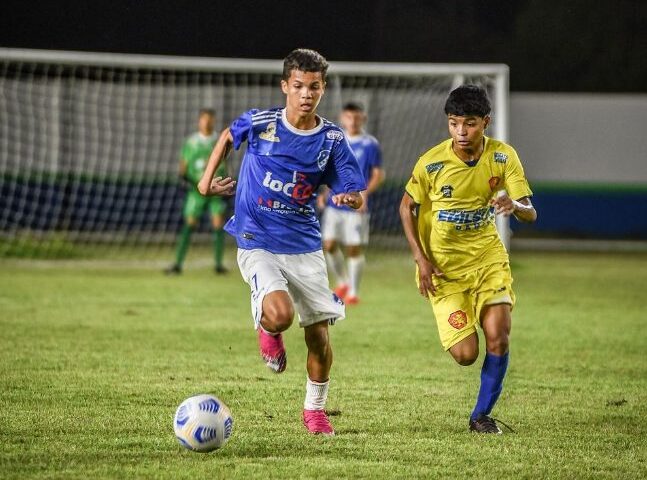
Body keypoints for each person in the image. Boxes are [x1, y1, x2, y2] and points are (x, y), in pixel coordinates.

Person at [197, 49, 366, 435]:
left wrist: (349, 197)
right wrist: (205, 183)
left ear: (322, 90)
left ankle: (315, 411)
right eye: (299, 86)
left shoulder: (332, 140)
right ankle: (269, 330)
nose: (306, 94)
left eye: (315, 87)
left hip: (304, 245)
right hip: (256, 236)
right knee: (280, 314)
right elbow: (227, 136)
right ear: (285, 87)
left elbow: (353, 190)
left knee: (319, 336)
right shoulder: (261, 123)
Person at [399, 85, 537, 434]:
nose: (461, 132)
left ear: (485, 122)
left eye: (470, 123)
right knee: (466, 354)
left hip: (488, 261)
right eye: (454, 123)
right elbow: (406, 207)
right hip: (444, 271)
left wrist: (514, 206)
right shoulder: (432, 163)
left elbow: (530, 212)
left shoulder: (503, 157)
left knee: (498, 336)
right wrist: (421, 260)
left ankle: (481, 417)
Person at [319, 102, 384, 304]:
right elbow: (330, 171)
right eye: (349, 117)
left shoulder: (370, 144)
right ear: (342, 118)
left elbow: (378, 174)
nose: (353, 121)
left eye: (356, 117)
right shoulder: (335, 140)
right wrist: (323, 193)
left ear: (363, 118)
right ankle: (343, 282)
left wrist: (363, 195)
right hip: (334, 203)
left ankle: (354, 292)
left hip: (356, 206)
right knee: (328, 244)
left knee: (354, 248)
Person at [165, 109, 229, 275]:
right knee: (190, 223)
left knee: (217, 223)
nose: (207, 122)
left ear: (213, 121)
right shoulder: (191, 142)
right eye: (204, 119)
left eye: (210, 119)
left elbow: (224, 165)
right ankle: (178, 264)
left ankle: (218, 265)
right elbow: (183, 168)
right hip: (196, 190)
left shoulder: (219, 140)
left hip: (216, 191)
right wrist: (195, 183)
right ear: (199, 121)